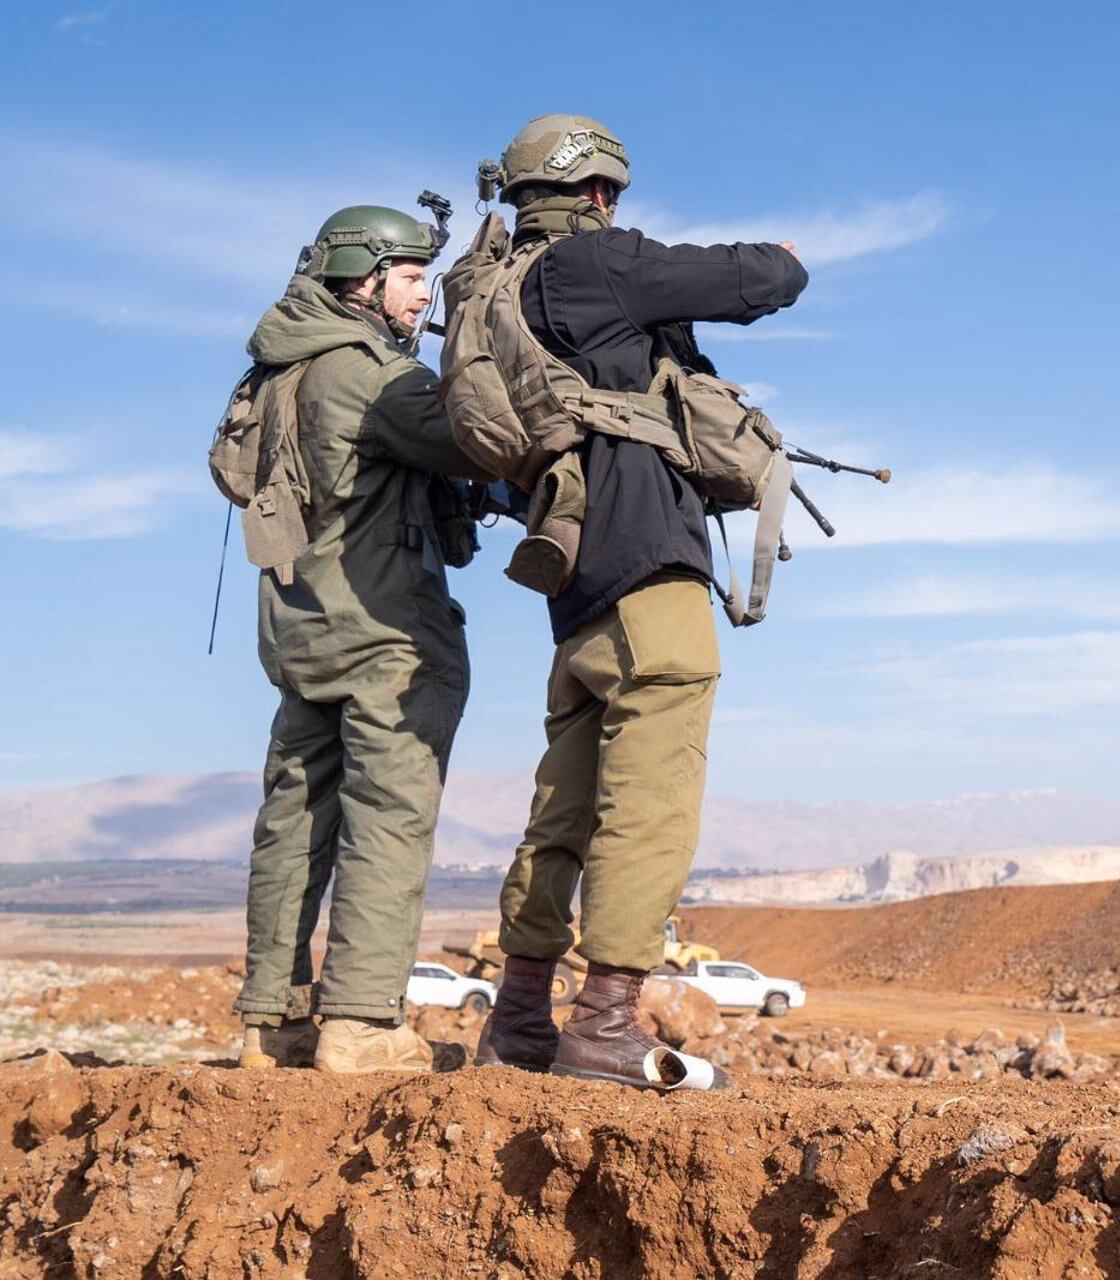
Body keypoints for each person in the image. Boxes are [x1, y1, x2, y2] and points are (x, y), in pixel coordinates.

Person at [467, 114, 808, 1086]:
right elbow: (755, 280)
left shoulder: (495, 299)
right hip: (645, 569)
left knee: (562, 810)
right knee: (649, 802)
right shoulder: (592, 270)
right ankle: (605, 1019)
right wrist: (784, 260)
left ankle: (521, 1017)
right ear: (598, 193)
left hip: (571, 594)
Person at [231, 205, 487, 1073]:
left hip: (300, 632)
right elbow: (477, 435)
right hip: (383, 633)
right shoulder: (370, 374)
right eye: (414, 278)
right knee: (388, 816)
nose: (427, 296)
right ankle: (360, 1024)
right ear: (362, 279)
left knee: (294, 823)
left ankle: (272, 1022)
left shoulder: (278, 371)